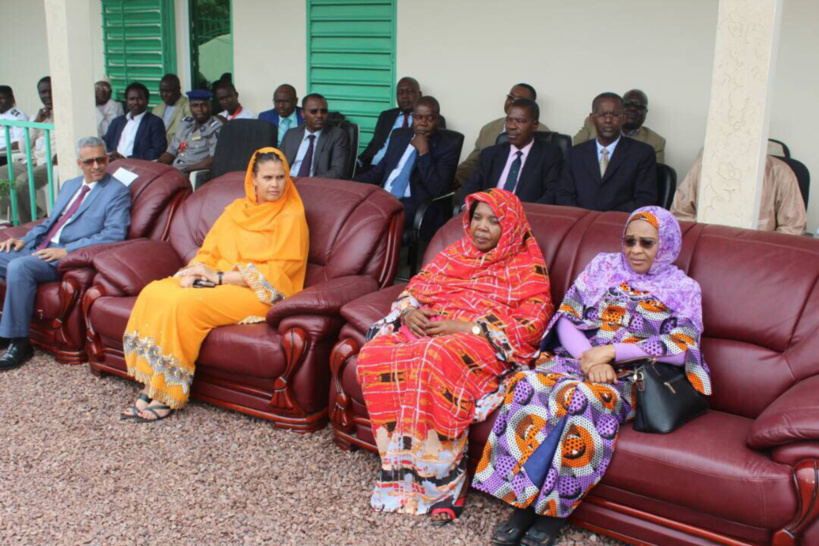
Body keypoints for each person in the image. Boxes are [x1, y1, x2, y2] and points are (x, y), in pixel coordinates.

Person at [473, 206, 712, 546]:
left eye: (647, 243)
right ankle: (522, 501)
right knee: (530, 384)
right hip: (578, 361)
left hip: (632, 377)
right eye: (629, 241)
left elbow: (682, 348)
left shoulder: (683, 288)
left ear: (668, 244)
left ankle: (552, 512)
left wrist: (612, 354)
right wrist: (589, 359)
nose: (635, 250)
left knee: (585, 398)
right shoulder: (603, 266)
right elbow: (566, 317)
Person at [356, 189, 554, 524]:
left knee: (435, 356)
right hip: (432, 328)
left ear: (511, 226)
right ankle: (400, 470)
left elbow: (531, 323)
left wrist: (465, 327)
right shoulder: (455, 253)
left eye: (494, 221)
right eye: (476, 217)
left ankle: (446, 486)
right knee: (374, 354)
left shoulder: (526, 264)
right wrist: (407, 312)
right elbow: (416, 288)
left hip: (480, 339)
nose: (481, 227)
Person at [119, 147, 308, 421]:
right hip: (216, 281)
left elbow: (279, 272)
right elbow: (210, 251)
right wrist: (196, 272)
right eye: (268, 178)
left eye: (281, 177)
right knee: (154, 291)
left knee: (183, 305)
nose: (276, 185)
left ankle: (168, 393)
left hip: (258, 292)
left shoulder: (291, 216)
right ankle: (152, 382)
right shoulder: (236, 211)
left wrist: (218, 277)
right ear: (253, 179)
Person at [0, 136, 131, 371]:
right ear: (80, 163)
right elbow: (50, 222)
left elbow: (114, 234)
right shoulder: (70, 185)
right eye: (89, 161)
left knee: (19, 267)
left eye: (101, 159)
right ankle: (4, 329)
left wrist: (66, 251)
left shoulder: (116, 192)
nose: (97, 166)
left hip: (62, 258)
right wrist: (23, 239)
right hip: (38, 247)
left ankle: (19, 343)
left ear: (107, 158)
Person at [354, 96, 459, 226]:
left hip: (414, 204)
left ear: (437, 119)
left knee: (373, 220)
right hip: (384, 196)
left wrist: (424, 153)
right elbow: (377, 172)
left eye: (429, 118)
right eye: (418, 118)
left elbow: (438, 190)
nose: (423, 123)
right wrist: (348, 184)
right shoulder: (399, 137)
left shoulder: (448, 146)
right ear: (412, 118)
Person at [556, 92, 657, 212]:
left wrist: (605, 219)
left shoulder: (642, 153)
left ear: (623, 118)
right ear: (592, 119)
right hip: (580, 224)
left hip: (618, 224)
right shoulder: (574, 154)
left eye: (614, 115)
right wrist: (582, 219)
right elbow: (564, 195)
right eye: (602, 115)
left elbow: (645, 199)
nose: (608, 120)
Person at [457, 98, 562, 206]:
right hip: (488, 216)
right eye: (509, 120)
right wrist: (470, 209)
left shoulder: (549, 154)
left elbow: (551, 193)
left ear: (534, 125)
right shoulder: (491, 154)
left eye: (520, 121)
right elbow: (470, 187)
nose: (511, 126)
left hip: (527, 217)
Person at [671, 154, 806, 235]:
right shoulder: (704, 165)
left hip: (760, 256)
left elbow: (793, 228)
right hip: (709, 249)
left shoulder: (780, 172)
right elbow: (681, 214)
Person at [454, 84, 551, 189]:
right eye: (511, 97)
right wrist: (456, 178)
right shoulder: (488, 129)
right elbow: (473, 162)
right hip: (489, 193)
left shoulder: (543, 132)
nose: (513, 102)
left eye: (520, 100)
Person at [8, 76, 56, 223]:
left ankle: (29, 223)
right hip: (31, 161)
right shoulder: (38, 114)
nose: (47, 95)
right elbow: (23, 148)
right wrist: (36, 124)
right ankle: (36, 215)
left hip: (50, 163)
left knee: (21, 182)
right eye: (43, 92)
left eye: (50, 90)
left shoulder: (67, 113)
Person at [573, 89, 666, 163]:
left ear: (646, 112)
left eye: (639, 106)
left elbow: (653, 175)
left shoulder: (656, 142)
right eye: (627, 104)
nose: (632, 109)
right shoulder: (593, 123)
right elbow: (576, 152)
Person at [357, 77, 426, 174]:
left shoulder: (427, 120)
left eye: (409, 91)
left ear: (419, 95)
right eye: (400, 92)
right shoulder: (386, 116)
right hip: (373, 166)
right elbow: (374, 144)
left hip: (400, 171)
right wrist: (358, 161)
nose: (405, 96)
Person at [281, 93, 350, 179]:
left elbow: (337, 172)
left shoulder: (337, 136)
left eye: (323, 111)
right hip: (288, 183)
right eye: (313, 111)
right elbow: (279, 164)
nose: (319, 115)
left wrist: (308, 183)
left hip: (316, 185)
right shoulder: (291, 134)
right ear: (302, 114)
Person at [158, 90, 223, 174]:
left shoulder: (216, 128)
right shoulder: (185, 124)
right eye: (195, 106)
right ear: (190, 107)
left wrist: (186, 170)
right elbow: (171, 152)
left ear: (210, 107)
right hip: (174, 172)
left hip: (194, 175)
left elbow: (213, 159)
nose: (199, 109)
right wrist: (157, 166)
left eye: (204, 105)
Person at [104, 82, 167, 161]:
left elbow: (158, 149)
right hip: (114, 164)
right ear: (127, 101)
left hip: (139, 166)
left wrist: (129, 159)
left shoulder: (155, 122)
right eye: (132, 99)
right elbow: (106, 143)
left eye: (140, 99)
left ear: (147, 101)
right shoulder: (117, 122)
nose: (136, 102)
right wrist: (112, 155)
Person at [151, 74, 192, 141]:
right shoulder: (157, 109)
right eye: (162, 91)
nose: (164, 94)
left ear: (178, 89)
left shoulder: (188, 106)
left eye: (168, 91)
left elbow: (185, 133)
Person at [0, 85, 27, 167]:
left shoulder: (18, 116)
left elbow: (18, 143)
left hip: (7, 155)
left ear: (11, 99)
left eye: (1, 98)